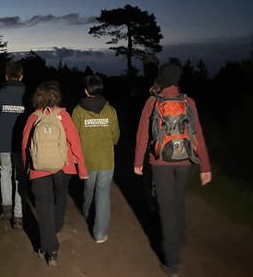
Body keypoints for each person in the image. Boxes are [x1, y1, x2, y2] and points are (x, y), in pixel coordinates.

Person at [134, 62, 212, 277]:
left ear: (160, 80)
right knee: (178, 201)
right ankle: (180, 239)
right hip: (186, 160)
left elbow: (143, 135)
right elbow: (198, 135)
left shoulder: (152, 102)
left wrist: (138, 162)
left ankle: (172, 262)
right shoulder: (189, 102)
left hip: (160, 163)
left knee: (166, 208)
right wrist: (205, 166)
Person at [21, 80, 88, 266]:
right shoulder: (63, 116)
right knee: (60, 196)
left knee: (44, 207)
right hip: (63, 166)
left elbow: (25, 145)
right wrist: (81, 168)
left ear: (38, 98)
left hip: (39, 168)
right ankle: (56, 225)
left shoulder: (33, 118)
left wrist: (28, 167)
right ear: (56, 97)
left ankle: (50, 250)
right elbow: (75, 143)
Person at [72, 75, 120, 243]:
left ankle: (86, 212)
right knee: (103, 193)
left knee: (88, 189)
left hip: (87, 161)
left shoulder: (78, 111)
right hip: (106, 160)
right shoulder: (111, 111)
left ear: (86, 90)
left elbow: (74, 138)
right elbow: (115, 136)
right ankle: (100, 233)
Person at [0, 61, 26, 229]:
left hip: (3, 145)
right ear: (21, 76)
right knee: (20, 179)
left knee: (5, 173)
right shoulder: (28, 95)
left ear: (6, 76)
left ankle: (7, 210)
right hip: (22, 145)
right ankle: (18, 217)